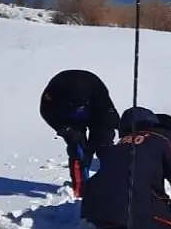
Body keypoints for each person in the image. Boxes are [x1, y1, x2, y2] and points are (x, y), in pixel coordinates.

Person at [80, 106, 171, 229]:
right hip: (135, 208)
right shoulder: (163, 136)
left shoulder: (117, 145)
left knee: (130, 215)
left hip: (94, 209)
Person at [39, 69, 120, 197]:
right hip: (67, 116)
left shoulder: (97, 91)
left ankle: (110, 185)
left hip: (96, 114)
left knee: (105, 147)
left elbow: (107, 117)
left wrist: (96, 141)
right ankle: (81, 189)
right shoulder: (54, 91)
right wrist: (65, 129)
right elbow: (47, 112)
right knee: (77, 149)